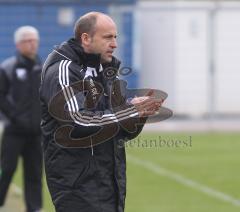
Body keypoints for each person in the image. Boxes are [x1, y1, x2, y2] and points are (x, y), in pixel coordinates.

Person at [39, 12, 162, 212]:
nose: (114, 44)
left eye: (115, 37)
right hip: (78, 188)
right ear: (86, 38)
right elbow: (76, 121)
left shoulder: (106, 72)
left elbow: (122, 131)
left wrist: (139, 114)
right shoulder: (63, 70)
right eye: (107, 37)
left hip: (110, 184)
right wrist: (129, 110)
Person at [0, 26, 43, 212]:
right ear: (18, 44)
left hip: (37, 133)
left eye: (34, 40)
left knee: (34, 174)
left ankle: (34, 208)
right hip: (14, 131)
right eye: (26, 40)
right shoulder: (8, 67)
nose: (31, 43)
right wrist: (14, 117)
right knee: (7, 170)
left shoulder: (44, 67)